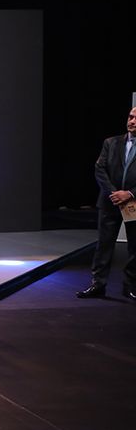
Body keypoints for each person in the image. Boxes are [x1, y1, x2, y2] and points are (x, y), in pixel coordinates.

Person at [78, 106, 136, 301]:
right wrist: (114, 193)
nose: (132, 121)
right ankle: (98, 285)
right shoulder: (111, 143)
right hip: (110, 202)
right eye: (130, 116)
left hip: (133, 203)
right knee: (104, 245)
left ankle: (129, 286)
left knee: (134, 247)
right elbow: (100, 169)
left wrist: (128, 194)